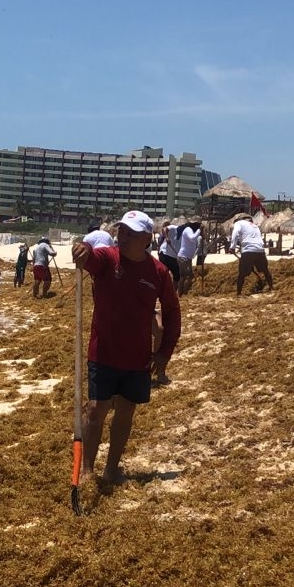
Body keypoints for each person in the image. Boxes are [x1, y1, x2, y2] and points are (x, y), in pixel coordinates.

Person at [72, 210, 181, 490]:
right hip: (103, 352)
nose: (123, 236)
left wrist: (164, 352)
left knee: (125, 413)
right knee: (95, 411)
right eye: (122, 230)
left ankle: (110, 470)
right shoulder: (109, 258)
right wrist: (83, 252)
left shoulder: (158, 272)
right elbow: (92, 260)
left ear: (147, 238)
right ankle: (86, 469)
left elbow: (171, 312)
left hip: (137, 359)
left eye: (131, 232)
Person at [229, 213, 274, 295]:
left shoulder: (239, 223)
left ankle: (239, 293)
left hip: (248, 251)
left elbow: (235, 232)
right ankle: (272, 289)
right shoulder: (255, 226)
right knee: (265, 271)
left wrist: (232, 247)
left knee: (242, 274)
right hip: (260, 250)